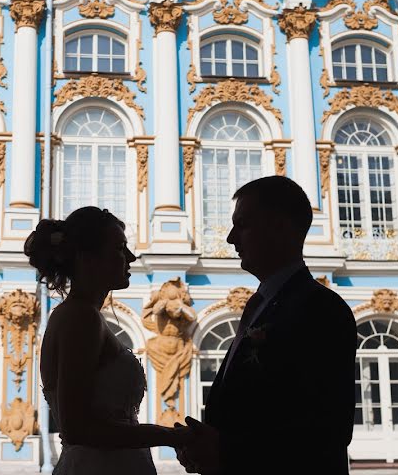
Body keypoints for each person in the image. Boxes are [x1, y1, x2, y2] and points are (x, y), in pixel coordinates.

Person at [176, 176, 356, 475]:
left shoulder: (321, 309)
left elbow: (327, 430)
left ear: (280, 226)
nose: (231, 238)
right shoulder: (261, 306)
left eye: (243, 224)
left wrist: (223, 450)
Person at [26, 206, 192, 475]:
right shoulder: (80, 317)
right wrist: (168, 436)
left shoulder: (82, 315)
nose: (131, 257)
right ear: (86, 257)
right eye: (119, 248)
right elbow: (77, 428)